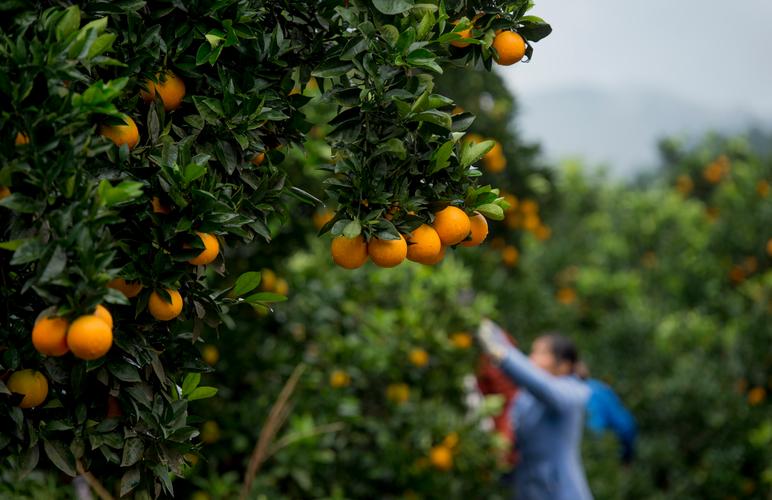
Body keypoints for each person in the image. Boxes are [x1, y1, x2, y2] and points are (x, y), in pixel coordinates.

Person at [477, 319, 593, 500]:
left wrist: (501, 353)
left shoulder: (573, 391)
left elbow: (544, 388)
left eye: (541, 353)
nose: (531, 359)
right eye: (532, 352)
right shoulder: (524, 399)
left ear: (563, 365)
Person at [575, 362, 637, 464]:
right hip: (620, 440)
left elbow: (595, 429)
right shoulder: (598, 387)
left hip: (607, 449)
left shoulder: (586, 393)